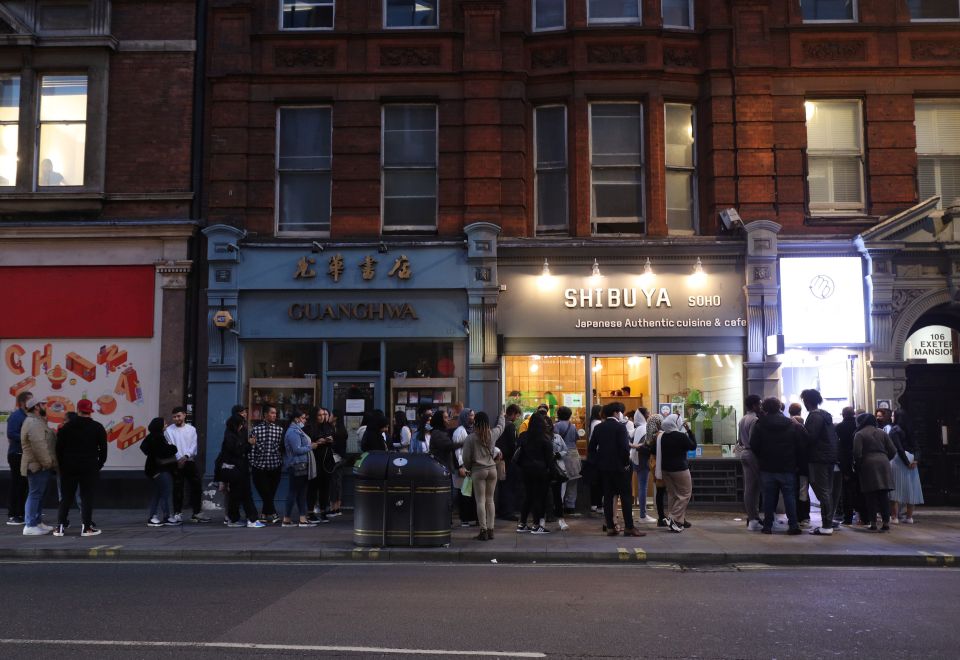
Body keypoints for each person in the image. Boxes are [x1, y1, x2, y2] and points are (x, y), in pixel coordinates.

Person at [749, 397, 805, 535]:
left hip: (767, 466)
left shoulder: (760, 424)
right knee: (789, 497)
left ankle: (767, 526)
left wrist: (762, 456)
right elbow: (800, 444)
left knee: (768, 497)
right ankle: (793, 525)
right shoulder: (791, 424)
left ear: (765, 408)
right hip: (787, 465)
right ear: (780, 407)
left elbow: (754, 445)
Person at [53, 399, 107, 537]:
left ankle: (60, 527)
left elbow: (58, 449)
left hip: (68, 467)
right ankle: (87, 528)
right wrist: (98, 465)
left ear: (78, 410)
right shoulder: (97, 427)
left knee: (66, 497)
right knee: (86, 496)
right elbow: (103, 451)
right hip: (89, 467)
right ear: (90, 411)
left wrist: (61, 466)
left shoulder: (66, 428)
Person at [588, 403, 644, 538]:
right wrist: (625, 464)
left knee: (607, 497)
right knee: (625, 497)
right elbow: (625, 449)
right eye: (620, 412)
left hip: (605, 469)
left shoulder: (599, 427)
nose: (621, 414)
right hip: (621, 468)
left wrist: (599, 463)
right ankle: (629, 527)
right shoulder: (620, 427)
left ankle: (610, 527)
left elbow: (591, 448)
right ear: (615, 413)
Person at [462, 410, 506, 540]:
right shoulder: (492, 434)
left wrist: (469, 468)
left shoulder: (471, 438)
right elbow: (501, 427)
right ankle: (491, 529)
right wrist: (502, 416)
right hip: (492, 469)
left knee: (480, 501)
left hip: (478, 470)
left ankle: (483, 530)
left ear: (475, 422)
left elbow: (466, 458)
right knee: (490, 500)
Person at [801, 389, 838, 536]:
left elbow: (810, 438)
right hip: (829, 458)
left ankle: (827, 525)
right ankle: (828, 522)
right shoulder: (825, 415)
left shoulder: (814, 417)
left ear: (807, 401)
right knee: (827, 491)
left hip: (818, 459)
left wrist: (799, 427)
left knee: (823, 492)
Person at [164, 407, 209, 523]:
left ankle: (197, 512)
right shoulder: (169, 430)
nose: (176, 419)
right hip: (176, 462)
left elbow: (193, 446)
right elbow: (171, 446)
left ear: (184, 415)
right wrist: (179, 458)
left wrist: (186, 457)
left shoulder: (191, 429)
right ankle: (177, 512)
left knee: (196, 486)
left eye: (178, 416)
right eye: (174, 417)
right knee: (178, 487)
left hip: (189, 461)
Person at [220, 414, 266, 528]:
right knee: (245, 494)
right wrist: (248, 444)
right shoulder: (230, 436)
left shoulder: (236, 434)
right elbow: (236, 451)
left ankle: (234, 519)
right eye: (241, 425)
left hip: (240, 468)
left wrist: (250, 444)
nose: (242, 427)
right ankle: (252, 519)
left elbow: (244, 450)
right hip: (236, 469)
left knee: (236, 495)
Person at [853, 413, 897, 531]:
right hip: (883, 463)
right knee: (883, 495)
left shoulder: (859, 434)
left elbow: (857, 453)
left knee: (870, 495)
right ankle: (886, 522)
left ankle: (873, 523)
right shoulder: (882, 433)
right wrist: (885, 458)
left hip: (868, 464)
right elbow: (893, 450)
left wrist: (859, 464)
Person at [20, 396, 57, 535]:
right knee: (35, 494)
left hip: (40, 465)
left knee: (39, 494)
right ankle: (30, 525)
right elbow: (39, 446)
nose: (45, 406)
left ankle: (36, 522)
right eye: (43, 404)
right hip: (38, 466)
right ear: (36, 407)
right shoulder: (34, 423)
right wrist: (48, 463)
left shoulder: (37, 421)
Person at [516, 411, 554, 534]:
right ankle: (536, 525)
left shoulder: (523, 436)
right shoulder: (545, 438)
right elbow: (549, 459)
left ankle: (522, 524)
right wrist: (552, 473)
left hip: (525, 470)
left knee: (527, 496)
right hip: (540, 472)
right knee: (539, 498)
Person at [282, 409, 320, 527]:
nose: (304, 420)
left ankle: (302, 519)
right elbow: (297, 449)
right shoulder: (293, 432)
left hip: (302, 464)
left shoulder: (297, 430)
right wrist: (310, 446)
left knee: (302, 493)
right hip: (297, 465)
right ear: (296, 419)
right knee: (293, 492)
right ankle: (287, 519)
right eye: (303, 418)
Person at [140, 417, 179, 527]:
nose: (166, 425)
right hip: (160, 469)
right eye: (164, 423)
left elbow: (144, 448)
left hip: (153, 469)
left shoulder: (151, 437)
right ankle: (166, 516)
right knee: (165, 493)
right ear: (159, 426)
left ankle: (153, 516)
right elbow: (164, 451)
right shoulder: (158, 438)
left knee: (158, 493)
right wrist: (173, 448)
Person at [887, 409, 923, 524]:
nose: (892, 417)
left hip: (898, 460)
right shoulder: (910, 429)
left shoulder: (894, 430)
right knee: (910, 488)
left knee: (895, 489)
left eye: (893, 415)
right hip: (912, 458)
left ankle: (894, 517)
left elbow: (899, 448)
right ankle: (909, 517)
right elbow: (917, 447)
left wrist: (906, 462)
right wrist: (915, 460)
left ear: (897, 417)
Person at [249, 405, 284, 523]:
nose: (275, 415)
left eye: (275, 413)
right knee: (265, 491)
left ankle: (264, 514)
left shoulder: (279, 430)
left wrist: (280, 462)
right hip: (259, 466)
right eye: (272, 413)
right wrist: (252, 463)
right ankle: (273, 514)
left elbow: (281, 448)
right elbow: (252, 448)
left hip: (275, 466)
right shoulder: (256, 429)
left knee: (271, 492)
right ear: (265, 415)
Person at [736, 394, 764, 532]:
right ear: (754, 405)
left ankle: (752, 517)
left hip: (744, 453)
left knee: (749, 487)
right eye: (759, 404)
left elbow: (740, 441)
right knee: (758, 487)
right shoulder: (755, 420)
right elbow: (755, 441)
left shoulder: (742, 420)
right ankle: (754, 518)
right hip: (753, 454)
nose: (761, 406)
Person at [6, 390, 32, 526]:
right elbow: (11, 434)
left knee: (23, 485)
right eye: (30, 400)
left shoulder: (27, 416)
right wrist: (28, 439)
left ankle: (21, 512)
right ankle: (14, 514)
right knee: (17, 484)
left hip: (24, 454)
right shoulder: (17, 416)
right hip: (17, 455)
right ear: (23, 402)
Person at [305, 407, 335, 523]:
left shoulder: (328, 426)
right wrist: (318, 442)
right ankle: (310, 512)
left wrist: (330, 440)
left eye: (324, 414)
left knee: (325, 487)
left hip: (326, 461)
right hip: (314, 460)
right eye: (319, 415)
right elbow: (306, 444)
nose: (322, 417)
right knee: (313, 487)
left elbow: (335, 440)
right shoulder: (308, 428)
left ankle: (323, 511)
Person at [835, 406, 862, 526]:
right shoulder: (858, 426)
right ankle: (863, 516)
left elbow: (838, 445)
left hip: (845, 461)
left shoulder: (839, 427)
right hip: (860, 461)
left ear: (843, 414)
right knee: (860, 490)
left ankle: (848, 518)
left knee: (847, 492)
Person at [495, 404, 522, 521]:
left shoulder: (500, 424)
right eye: (517, 415)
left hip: (500, 459)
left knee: (502, 486)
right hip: (508, 461)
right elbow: (513, 444)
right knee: (509, 486)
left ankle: (501, 511)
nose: (517, 418)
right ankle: (508, 512)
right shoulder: (510, 426)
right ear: (514, 413)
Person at [554, 406, 582, 516]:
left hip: (562, 455)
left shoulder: (556, 426)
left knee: (561, 482)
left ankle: (559, 506)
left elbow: (555, 440)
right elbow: (576, 439)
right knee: (573, 481)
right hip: (574, 454)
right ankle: (570, 506)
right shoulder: (573, 426)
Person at [644, 413, 667, 526]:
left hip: (653, 464)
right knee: (664, 491)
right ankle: (663, 517)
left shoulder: (649, 436)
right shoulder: (660, 435)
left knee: (660, 491)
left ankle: (661, 516)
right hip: (662, 465)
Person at [328, 410, 348, 517]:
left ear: (335, 417)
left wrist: (330, 441)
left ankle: (335, 508)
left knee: (335, 482)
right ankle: (335, 508)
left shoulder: (337, 431)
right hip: (339, 458)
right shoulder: (338, 429)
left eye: (330, 415)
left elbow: (337, 446)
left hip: (337, 458)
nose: (328, 417)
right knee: (336, 482)